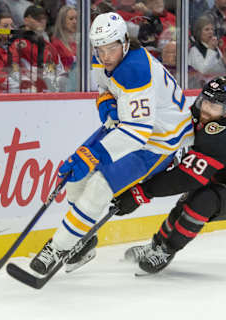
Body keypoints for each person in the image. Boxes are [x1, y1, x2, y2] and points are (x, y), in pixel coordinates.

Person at [29, 12, 195, 275]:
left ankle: (59, 247)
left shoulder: (135, 69)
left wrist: (93, 156)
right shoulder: (104, 59)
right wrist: (106, 104)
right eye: (100, 49)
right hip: (132, 127)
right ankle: (82, 242)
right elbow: (106, 88)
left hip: (159, 141)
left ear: (124, 43)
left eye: (111, 48)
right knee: (75, 179)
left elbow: (137, 133)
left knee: (98, 187)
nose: (105, 55)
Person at [111, 76, 226, 273]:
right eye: (205, 101)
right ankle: (156, 245)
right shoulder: (213, 114)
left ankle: (167, 250)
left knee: (202, 199)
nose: (206, 109)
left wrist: (141, 193)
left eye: (214, 106)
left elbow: (186, 178)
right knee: (187, 201)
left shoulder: (224, 137)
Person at [9, 5, 66, 92]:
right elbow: (13, 71)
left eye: (44, 18)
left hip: (50, 95)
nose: (42, 21)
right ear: (26, 20)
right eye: (37, 18)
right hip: (27, 95)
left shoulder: (50, 47)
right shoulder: (16, 43)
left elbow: (60, 72)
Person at [188, 15, 222, 87]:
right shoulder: (194, 50)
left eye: (212, 29)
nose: (211, 32)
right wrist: (211, 50)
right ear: (199, 32)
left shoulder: (216, 49)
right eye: (207, 29)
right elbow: (202, 70)